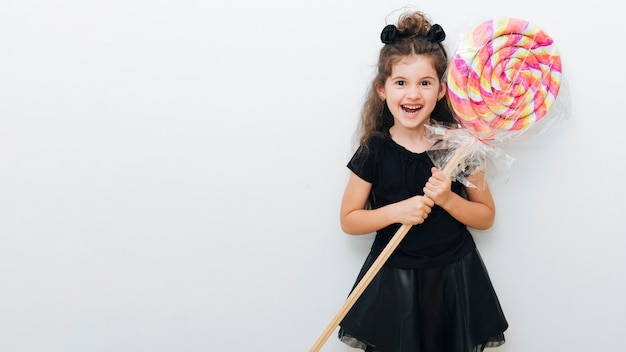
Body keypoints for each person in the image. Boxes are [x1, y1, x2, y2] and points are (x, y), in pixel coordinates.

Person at [337, 9, 509, 352]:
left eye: (425, 83)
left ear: (441, 90)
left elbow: (486, 216)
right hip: (395, 280)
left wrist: (448, 199)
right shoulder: (374, 150)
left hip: (454, 280)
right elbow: (349, 220)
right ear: (382, 89)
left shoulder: (459, 145)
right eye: (401, 83)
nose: (413, 94)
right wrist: (395, 211)